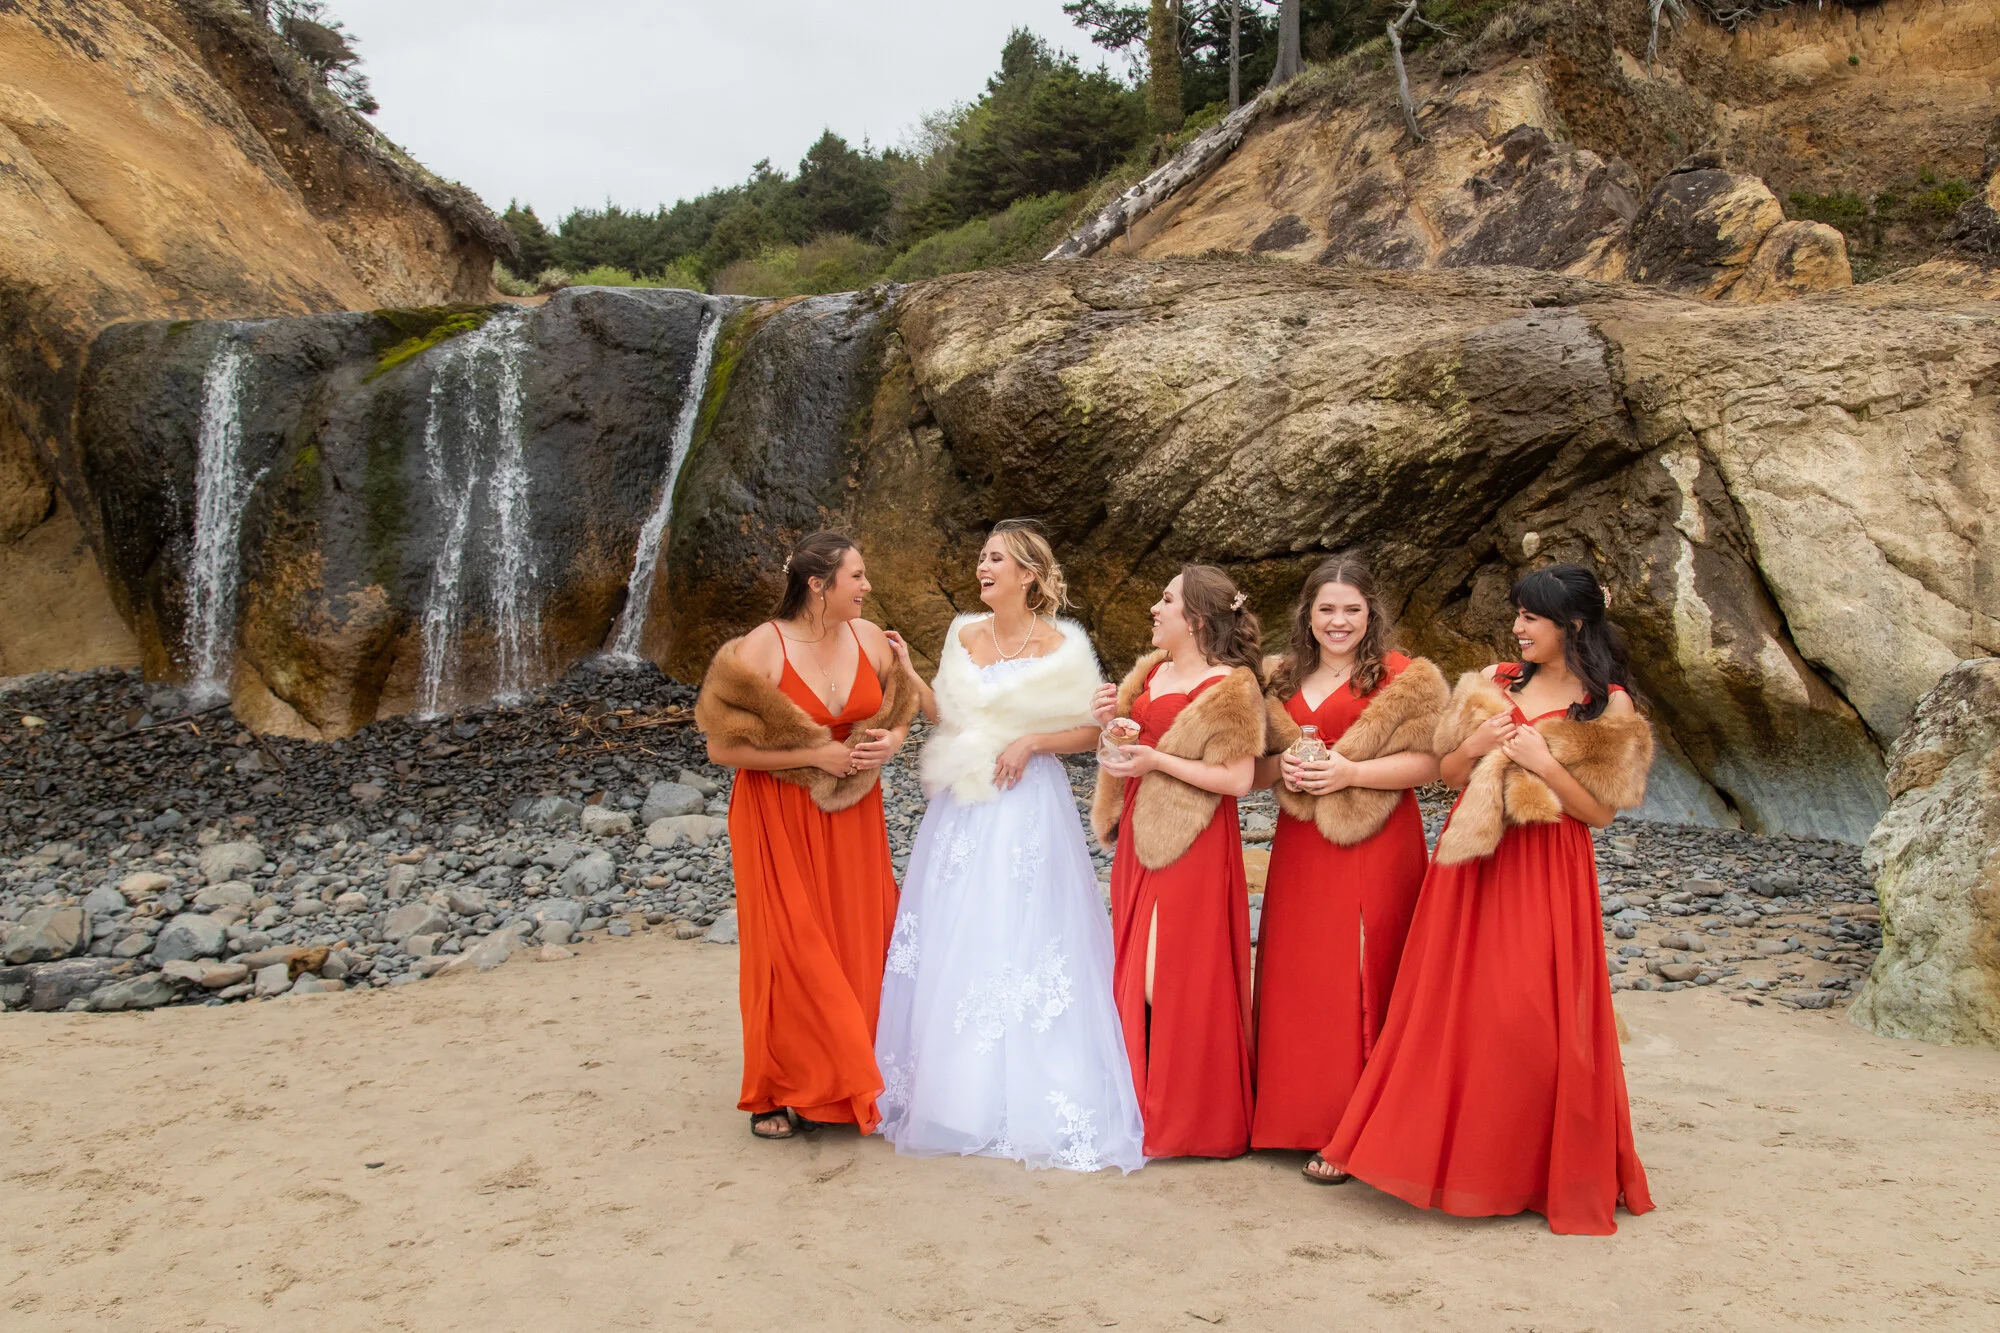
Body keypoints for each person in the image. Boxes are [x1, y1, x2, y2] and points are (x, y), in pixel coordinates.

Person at [1315, 563, 1657, 1235]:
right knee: (1446, 1005)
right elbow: (1446, 772)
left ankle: (1525, 1168)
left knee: (1528, 1011)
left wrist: (1542, 760)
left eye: (1531, 617)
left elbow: (1599, 814)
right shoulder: (1496, 682)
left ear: (1573, 625)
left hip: (1546, 867)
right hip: (1468, 860)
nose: (1518, 627)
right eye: (1519, 615)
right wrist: (1475, 742)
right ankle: (1435, 1155)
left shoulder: (1608, 704)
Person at [872, 521, 1145, 1173]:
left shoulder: (1063, 643)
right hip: (964, 803)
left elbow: (1090, 729)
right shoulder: (962, 632)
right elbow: (948, 715)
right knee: (959, 930)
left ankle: (1030, 1090)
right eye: (981, 558)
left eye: (995, 559)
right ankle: (957, 1095)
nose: (982, 568)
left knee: (1026, 928)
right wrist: (910, 673)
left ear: (1028, 573)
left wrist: (1030, 742)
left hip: (1028, 803)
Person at [695, 532, 916, 1141]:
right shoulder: (760, 649)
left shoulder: (871, 638)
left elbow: (899, 707)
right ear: (818, 585)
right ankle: (775, 1088)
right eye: (857, 577)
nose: (868, 587)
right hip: (777, 813)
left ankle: (853, 1080)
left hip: (854, 815)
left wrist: (891, 742)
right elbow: (720, 746)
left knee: (859, 936)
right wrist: (817, 757)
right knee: (787, 945)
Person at [1251, 555, 1445, 1170]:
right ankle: (1292, 1117)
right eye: (1326, 609)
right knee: (1299, 969)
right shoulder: (1274, 678)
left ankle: (1355, 1130)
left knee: (1364, 967)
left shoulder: (1403, 677)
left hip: (1377, 839)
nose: (1339, 622)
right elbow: (1248, 767)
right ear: (1306, 614)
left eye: (1352, 610)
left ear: (1372, 613)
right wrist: (1279, 769)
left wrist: (1351, 771)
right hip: (1301, 843)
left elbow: (1434, 764)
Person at [1091, 565, 1265, 1160]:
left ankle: (1195, 1112)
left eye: (1165, 600)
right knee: (1133, 965)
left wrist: (1154, 762)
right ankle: (1144, 1105)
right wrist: (1110, 728)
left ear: (1195, 617)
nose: (1154, 609)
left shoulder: (1231, 685)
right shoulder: (1149, 673)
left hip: (1192, 838)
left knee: (1169, 976)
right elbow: (1127, 745)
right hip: (1141, 832)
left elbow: (1238, 779)